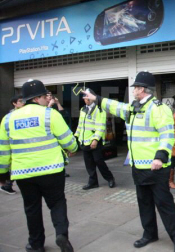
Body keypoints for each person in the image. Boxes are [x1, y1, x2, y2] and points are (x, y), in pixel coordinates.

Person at [82, 71, 175, 252]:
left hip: (156, 167)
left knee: (165, 205)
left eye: (136, 87)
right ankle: (149, 234)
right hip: (138, 167)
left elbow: (167, 135)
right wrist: (96, 98)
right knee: (144, 204)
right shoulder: (134, 107)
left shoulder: (158, 108)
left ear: (143, 89)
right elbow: (115, 107)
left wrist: (160, 157)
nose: (134, 90)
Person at [0, 79, 78, 252]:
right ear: (36, 98)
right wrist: (72, 148)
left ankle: (36, 245)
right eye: (44, 96)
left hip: (23, 174)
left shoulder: (8, 119)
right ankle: (61, 235)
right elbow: (69, 142)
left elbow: (3, 151)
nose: (46, 99)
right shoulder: (50, 114)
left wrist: (3, 174)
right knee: (57, 203)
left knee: (32, 208)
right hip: (52, 171)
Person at [74, 88, 115, 190]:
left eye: (87, 97)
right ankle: (93, 182)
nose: (85, 99)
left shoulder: (99, 109)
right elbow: (80, 125)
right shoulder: (83, 109)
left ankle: (110, 178)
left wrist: (95, 139)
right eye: (84, 97)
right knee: (89, 164)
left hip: (94, 142)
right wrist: (76, 137)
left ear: (92, 97)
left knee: (99, 162)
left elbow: (100, 126)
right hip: (84, 141)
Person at [0, 95, 24, 195]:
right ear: (14, 103)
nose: (23, 102)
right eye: (20, 101)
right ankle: (7, 185)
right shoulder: (11, 115)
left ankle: (7, 185)